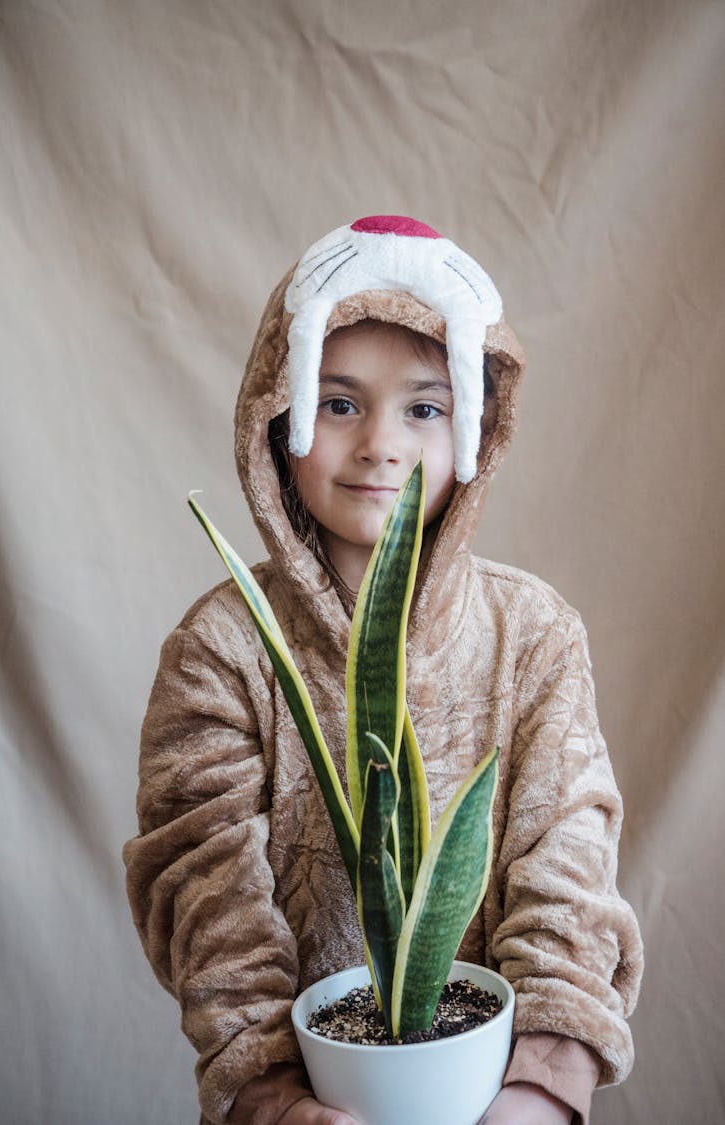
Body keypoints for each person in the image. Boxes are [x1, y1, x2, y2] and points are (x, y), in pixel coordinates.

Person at [123, 215, 643, 1124]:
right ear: (277, 413)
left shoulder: (533, 634)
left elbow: (568, 866)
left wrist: (541, 1086)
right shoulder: (223, 647)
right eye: (339, 402)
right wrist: (271, 1095)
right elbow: (204, 889)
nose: (381, 445)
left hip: (498, 1097)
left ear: (479, 422)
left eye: (425, 407)